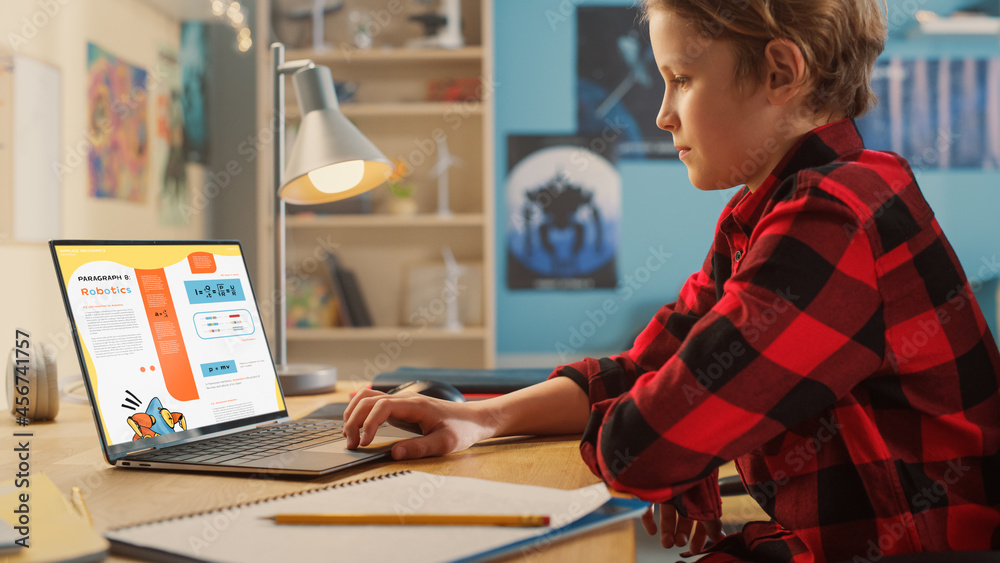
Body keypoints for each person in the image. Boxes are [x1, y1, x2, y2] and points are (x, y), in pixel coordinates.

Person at [343, 1, 1000, 561]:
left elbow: (642, 446)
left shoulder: (834, 217)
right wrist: (478, 418)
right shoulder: (769, 212)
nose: (662, 114)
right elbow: (645, 369)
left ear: (781, 73)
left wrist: (684, 442)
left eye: (680, 79)